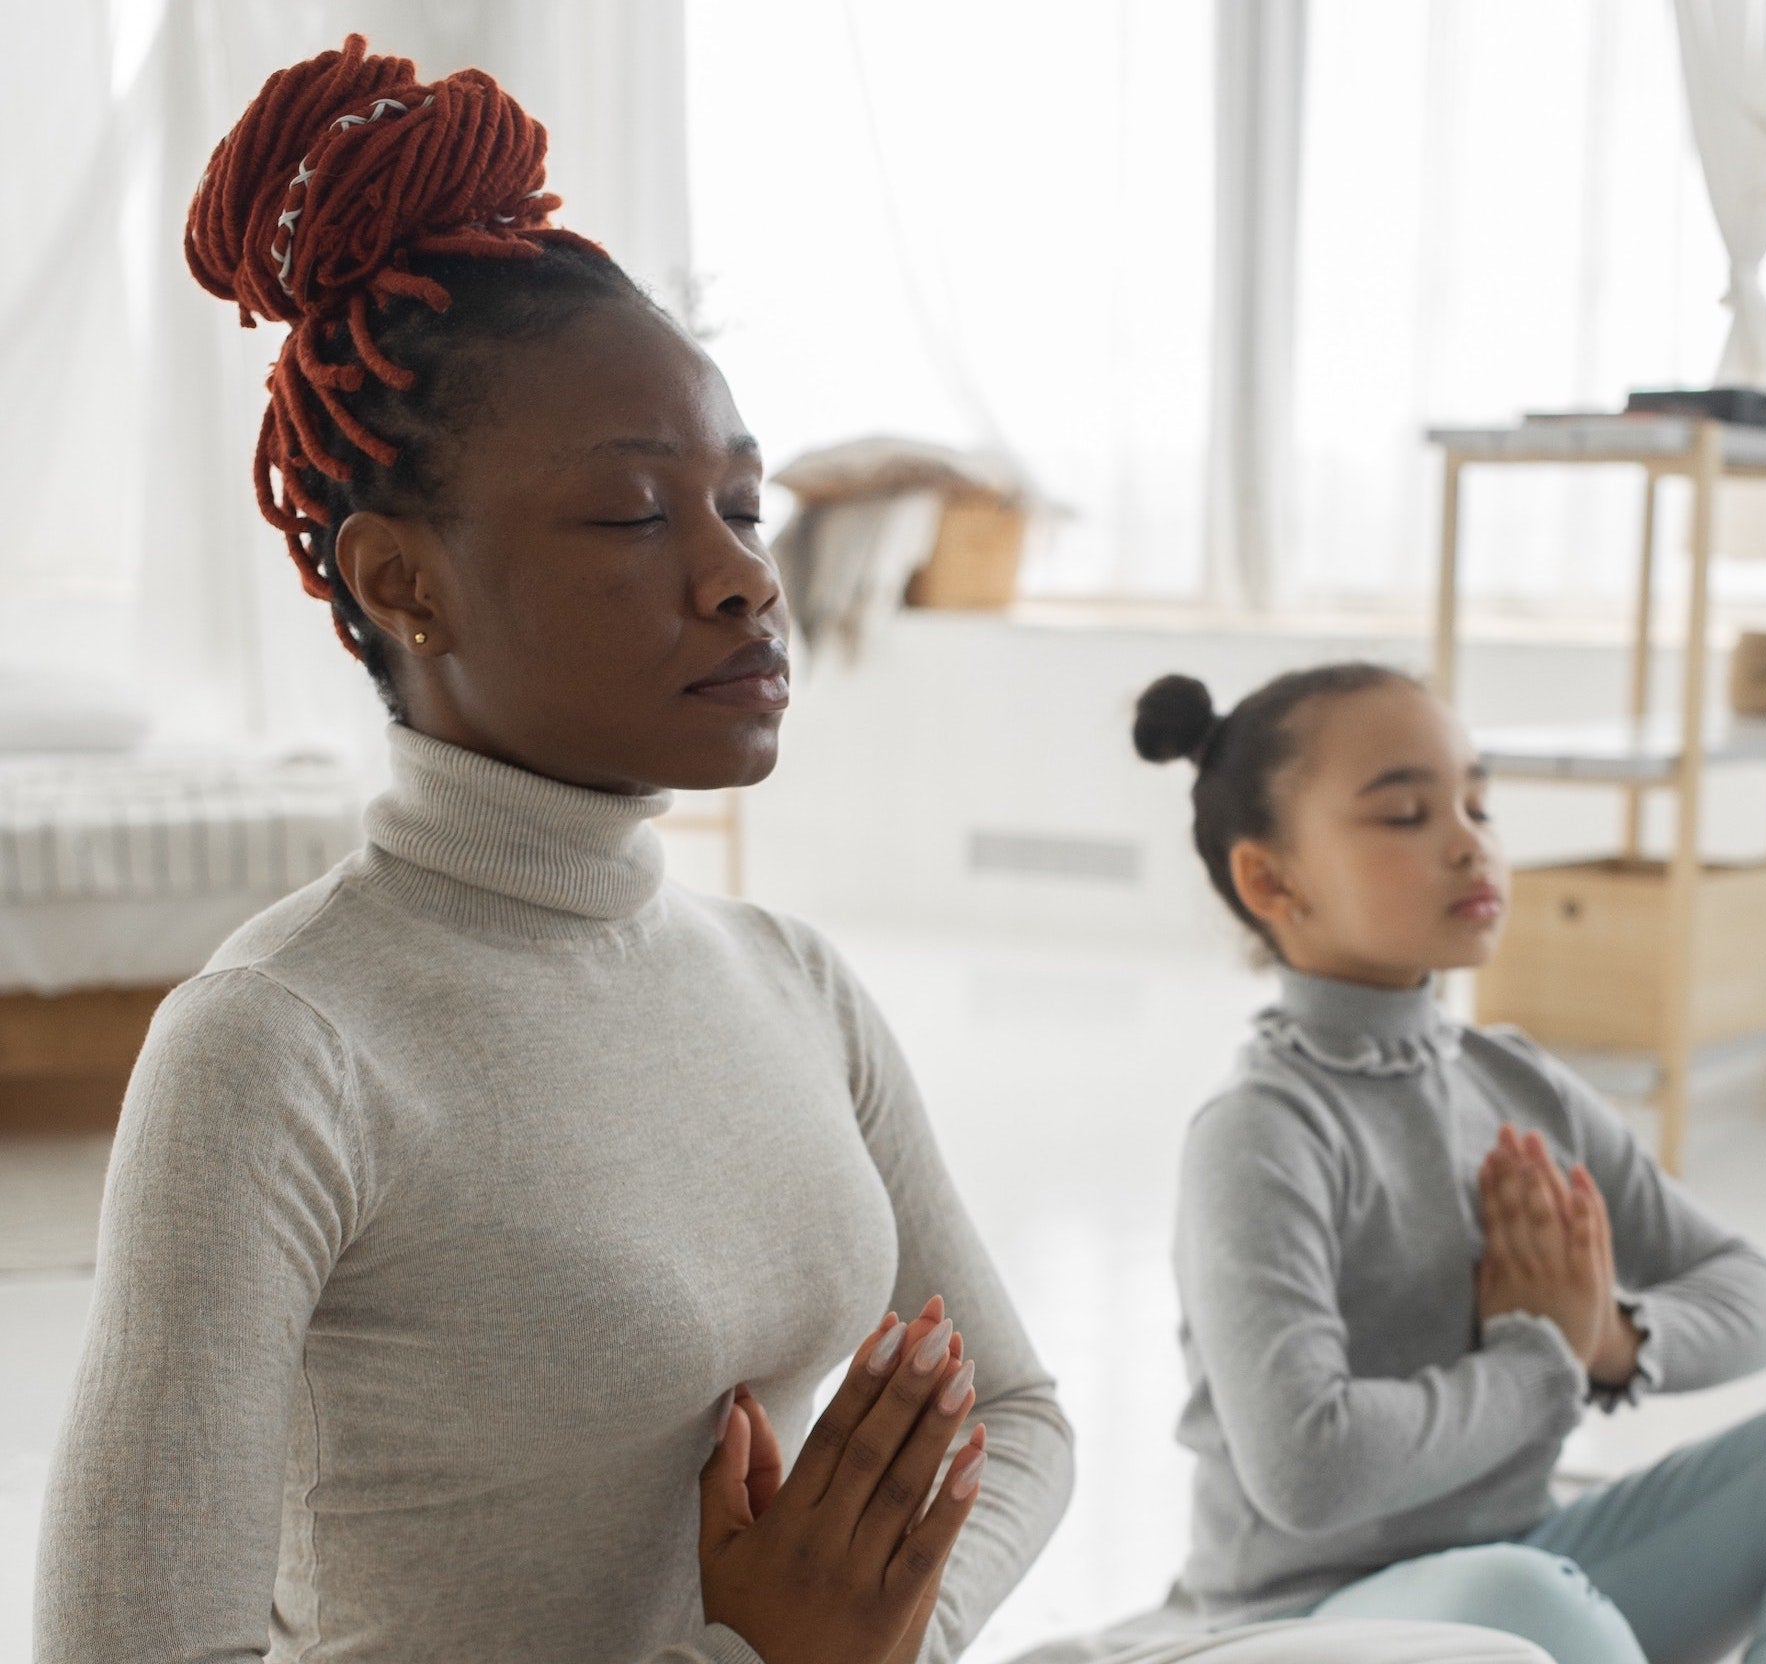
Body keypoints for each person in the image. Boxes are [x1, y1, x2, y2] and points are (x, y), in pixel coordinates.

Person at [34, 37, 1067, 1664]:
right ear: (403, 583)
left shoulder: (789, 977)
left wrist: (880, 1645)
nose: (744, 577)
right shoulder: (277, 1044)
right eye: (635, 515)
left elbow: (1014, 1409)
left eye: (739, 501)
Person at [1130, 662, 1766, 1664]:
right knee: (1520, 1597)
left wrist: (1612, 1338)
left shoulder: (1514, 1081)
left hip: (1526, 1568)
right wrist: (1542, 1359)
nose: (1466, 840)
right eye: (1405, 813)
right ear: (1270, 880)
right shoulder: (1258, 1131)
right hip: (1315, 1622)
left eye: (1477, 802)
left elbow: (1753, 1296)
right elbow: (1305, 1467)